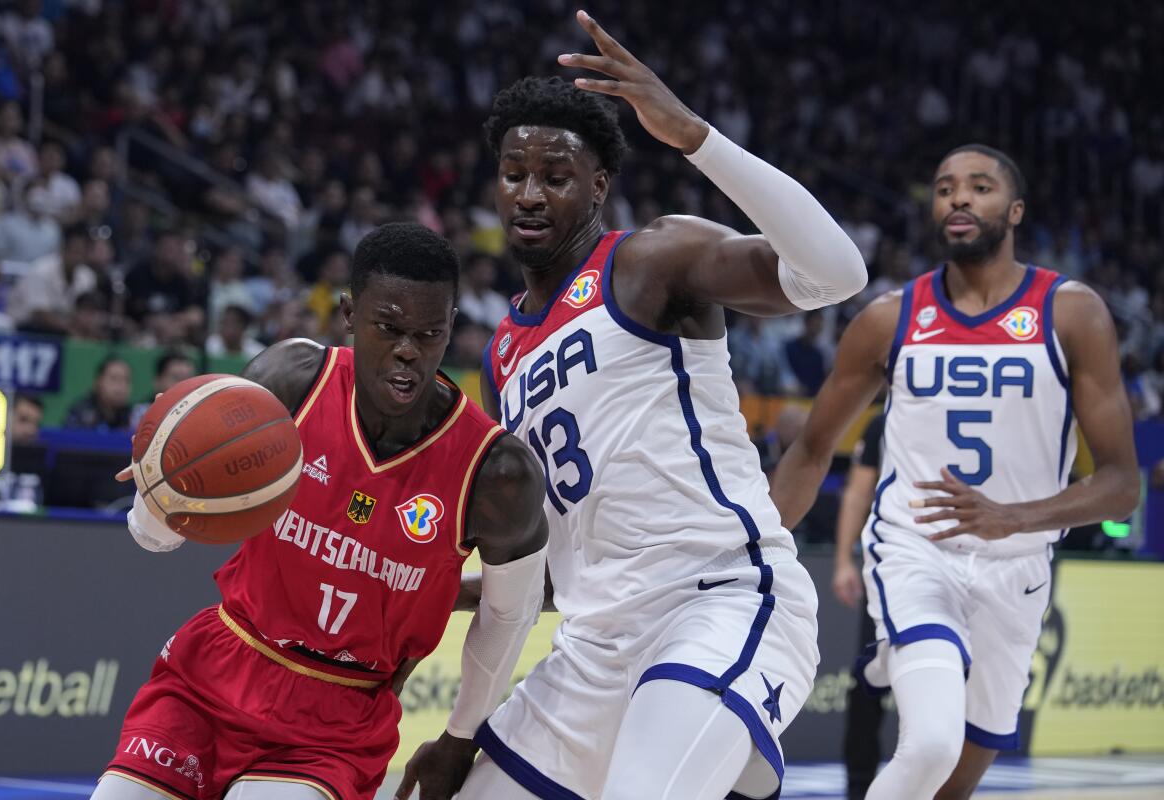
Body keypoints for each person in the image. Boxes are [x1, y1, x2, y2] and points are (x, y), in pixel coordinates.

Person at [421, 11, 867, 800]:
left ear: (597, 185)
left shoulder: (649, 260)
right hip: (595, 645)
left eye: (554, 177)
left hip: (720, 600)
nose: (528, 193)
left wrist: (696, 135)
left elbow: (836, 274)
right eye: (513, 173)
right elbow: (549, 561)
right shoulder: (501, 356)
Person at [92, 223, 549, 800]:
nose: (409, 349)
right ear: (349, 315)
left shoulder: (496, 470)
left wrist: (459, 737)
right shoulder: (293, 381)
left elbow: (510, 617)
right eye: (388, 328)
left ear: (451, 327)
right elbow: (153, 540)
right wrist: (158, 489)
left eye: (429, 333)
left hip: (338, 716)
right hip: (219, 666)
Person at [772, 145, 1139, 799]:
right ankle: (907, 647)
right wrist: (761, 545)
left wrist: (1014, 518)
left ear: (1015, 211)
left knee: (954, 782)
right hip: (917, 550)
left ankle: (911, 660)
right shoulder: (889, 318)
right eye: (944, 189)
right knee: (932, 744)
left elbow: (1120, 483)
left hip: (1018, 567)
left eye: (979, 187)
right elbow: (812, 448)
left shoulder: (1071, 312)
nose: (959, 198)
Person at [828, 413, 887, 800]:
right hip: (891, 569)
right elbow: (857, 491)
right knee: (868, 683)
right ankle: (858, 788)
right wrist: (845, 560)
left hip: (963, 566)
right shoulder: (883, 422)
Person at [129, 352, 196, 431]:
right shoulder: (141, 413)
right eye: (176, 378)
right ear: (158, 381)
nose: (183, 386)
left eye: (188, 380)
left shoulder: (199, 414)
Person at [64, 355, 132, 431]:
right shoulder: (81, 414)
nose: (121, 385)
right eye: (114, 378)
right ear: (99, 382)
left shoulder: (132, 417)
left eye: (126, 380)